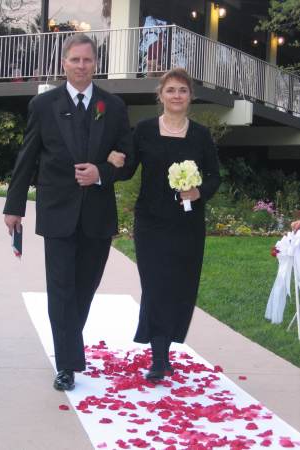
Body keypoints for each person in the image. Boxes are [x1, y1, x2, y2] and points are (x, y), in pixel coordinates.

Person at [3, 34, 133, 391]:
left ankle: (68, 349)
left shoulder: (114, 106)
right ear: (64, 63)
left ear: (95, 64)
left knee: (83, 289)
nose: (81, 66)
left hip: (97, 216)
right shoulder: (43, 106)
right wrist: (14, 206)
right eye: (74, 60)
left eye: (87, 60)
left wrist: (102, 173)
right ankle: (67, 364)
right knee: (61, 290)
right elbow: (27, 156)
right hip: (57, 212)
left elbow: (128, 158)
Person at [109, 68, 221, 382]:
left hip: (188, 224)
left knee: (181, 287)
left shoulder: (200, 135)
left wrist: (198, 191)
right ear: (160, 95)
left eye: (182, 91)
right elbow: (128, 168)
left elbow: (214, 176)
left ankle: (168, 347)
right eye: (170, 90)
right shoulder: (144, 130)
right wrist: (112, 163)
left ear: (190, 97)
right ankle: (159, 357)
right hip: (151, 223)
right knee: (156, 286)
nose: (176, 96)